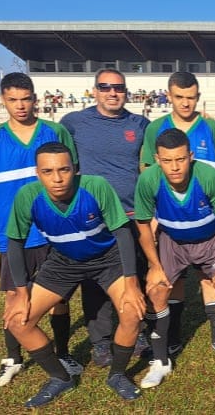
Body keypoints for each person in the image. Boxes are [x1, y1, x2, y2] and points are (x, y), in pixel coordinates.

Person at [4, 143, 145, 406]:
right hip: (63, 263)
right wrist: (21, 293)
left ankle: (117, 374)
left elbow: (123, 233)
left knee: (132, 312)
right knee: (18, 322)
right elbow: (15, 243)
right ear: (37, 172)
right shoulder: (27, 196)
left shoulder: (96, 186)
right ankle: (60, 378)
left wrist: (131, 283)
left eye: (64, 170)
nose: (57, 178)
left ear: (75, 169)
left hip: (108, 260)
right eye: (48, 171)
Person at [0, 72, 82, 389]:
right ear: (3, 101)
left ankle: (63, 353)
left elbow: (73, 170)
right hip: (13, 232)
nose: (20, 106)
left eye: (26, 99)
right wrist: (2, 185)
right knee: (13, 296)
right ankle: (13, 359)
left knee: (59, 297)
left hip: (51, 230)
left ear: (36, 99)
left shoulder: (55, 131)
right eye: (13, 99)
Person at [134, 129, 215, 388]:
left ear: (190, 156)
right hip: (173, 242)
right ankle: (161, 362)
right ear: (157, 159)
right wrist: (154, 266)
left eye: (180, 159)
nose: (175, 167)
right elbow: (143, 225)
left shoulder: (207, 176)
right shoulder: (148, 180)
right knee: (156, 289)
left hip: (211, 240)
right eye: (168, 161)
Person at [61, 68, 150, 366]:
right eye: (105, 87)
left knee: (134, 274)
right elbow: (48, 146)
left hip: (130, 215)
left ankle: (136, 330)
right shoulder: (73, 123)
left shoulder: (140, 124)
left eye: (119, 88)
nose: (113, 92)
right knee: (95, 280)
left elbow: (159, 155)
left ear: (126, 91)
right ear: (95, 90)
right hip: (91, 218)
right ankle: (100, 342)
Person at [141, 72, 215, 356]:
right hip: (171, 217)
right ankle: (173, 333)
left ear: (198, 97)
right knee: (172, 278)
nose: (185, 103)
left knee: (208, 277)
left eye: (191, 97)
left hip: (205, 214)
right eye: (179, 97)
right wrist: (155, 215)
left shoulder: (210, 128)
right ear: (169, 96)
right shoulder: (156, 128)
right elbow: (147, 170)